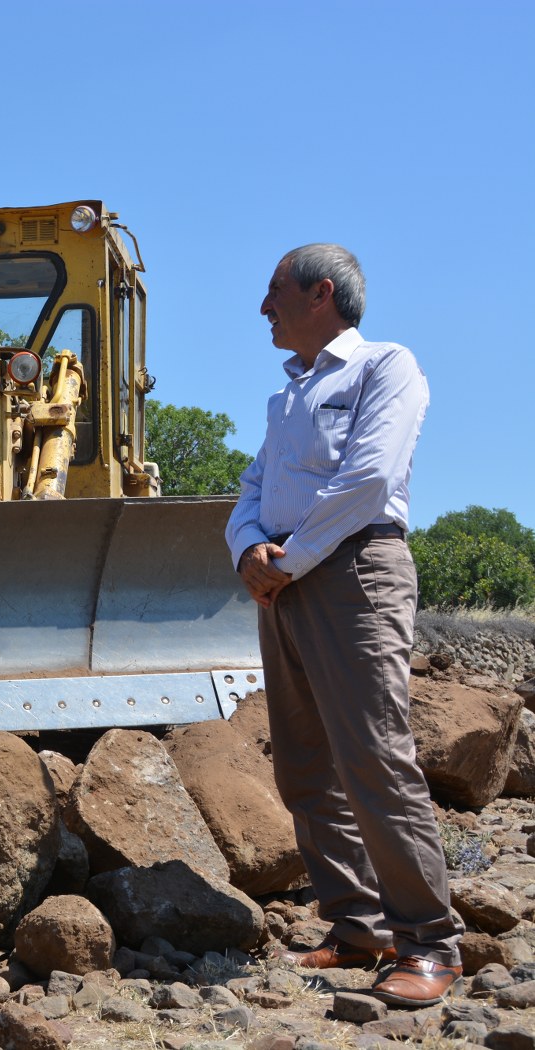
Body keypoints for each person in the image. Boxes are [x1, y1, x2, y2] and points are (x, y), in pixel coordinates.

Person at [226, 245, 463, 1008]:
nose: (263, 308)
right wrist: (248, 550)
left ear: (319, 293)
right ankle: (354, 925)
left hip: (355, 574)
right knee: (302, 765)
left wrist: (285, 558)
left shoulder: (385, 366)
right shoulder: (286, 397)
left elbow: (367, 478)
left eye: (274, 292)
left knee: (372, 758)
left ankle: (429, 941)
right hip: (285, 584)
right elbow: (252, 488)